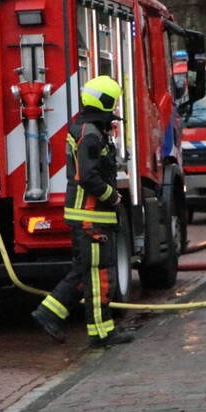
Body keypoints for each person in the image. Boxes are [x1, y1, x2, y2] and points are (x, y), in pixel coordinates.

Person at [31, 75, 135, 348]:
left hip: (87, 217)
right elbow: (88, 176)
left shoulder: (87, 127)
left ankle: (50, 313)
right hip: (92, 217)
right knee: (99, 275)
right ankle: (101, 334)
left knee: (84, 271)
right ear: (104, 101)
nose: (115, 107)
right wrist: (112, 196)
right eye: (113, 102)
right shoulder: (90, 134)